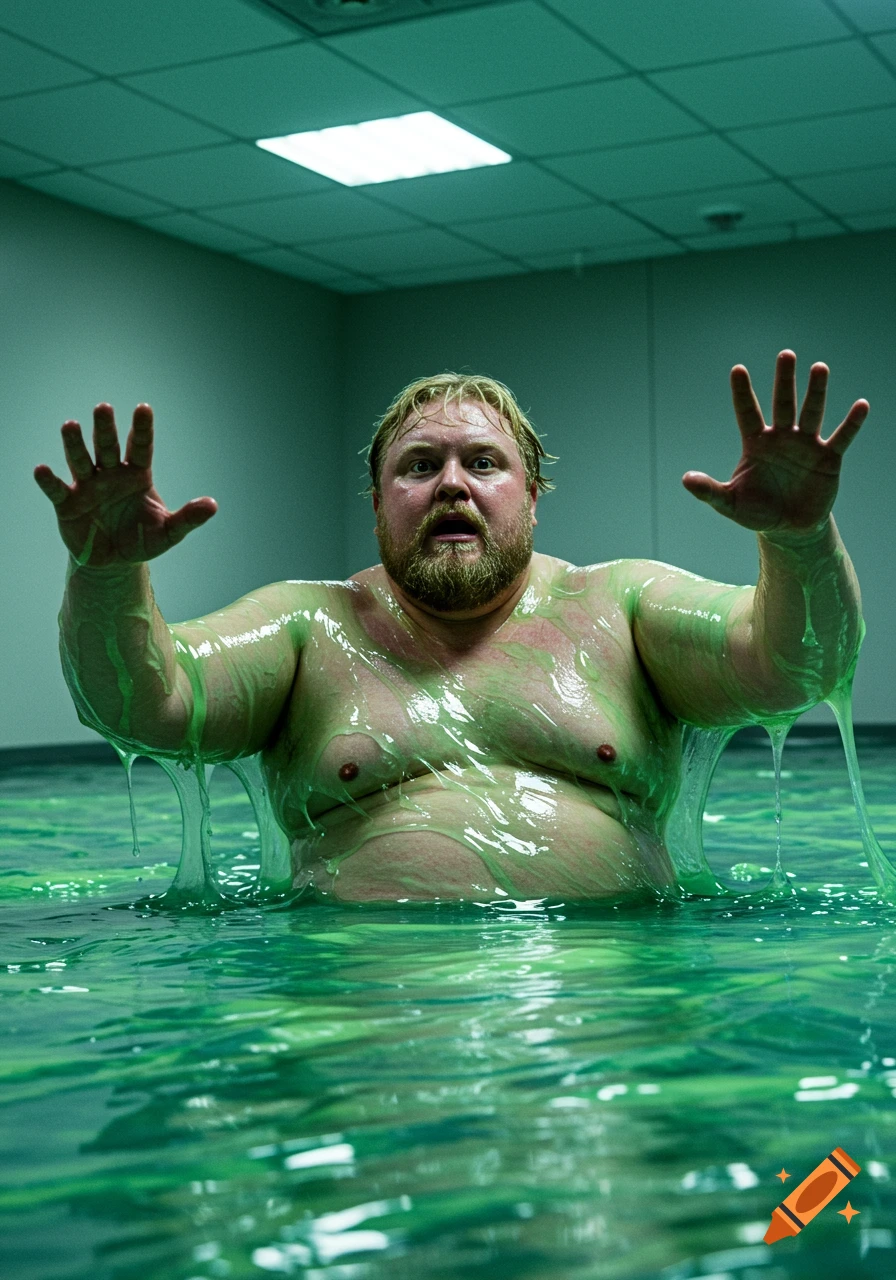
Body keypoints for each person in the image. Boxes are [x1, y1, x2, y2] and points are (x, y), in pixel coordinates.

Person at [34, 352, 867, 903]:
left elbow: (795, 667)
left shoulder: (623, 608)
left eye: (484, 462)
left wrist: (798, 540)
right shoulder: (305, 628)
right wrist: (106, 573)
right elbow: (145, 707)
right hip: (356, 1011)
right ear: (377, 504)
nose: (452, 485)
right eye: (420, 466)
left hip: (605, 1007)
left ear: (533, 493)